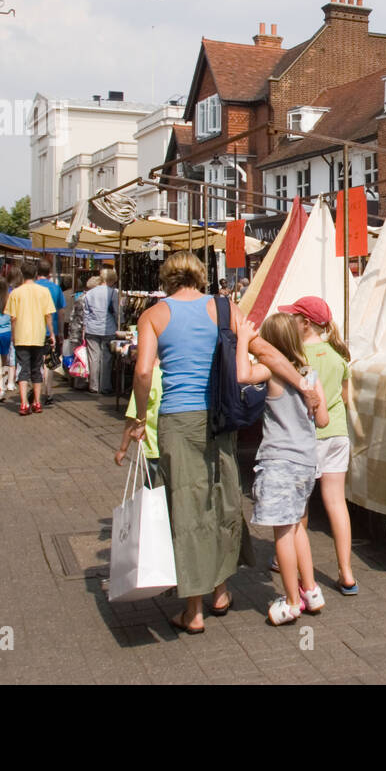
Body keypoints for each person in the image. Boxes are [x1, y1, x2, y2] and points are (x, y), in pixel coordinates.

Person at [128, 252, 317, 635]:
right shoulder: (224, 306)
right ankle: (220, 592)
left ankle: (193, 610)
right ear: (199, 276)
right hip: (219, 418)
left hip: (178, 421)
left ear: (167, 278)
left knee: (187, 505)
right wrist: (303, 385)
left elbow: (145, 370)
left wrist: (135, 419)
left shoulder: (153, 316)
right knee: (222, 499)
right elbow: (265, 351)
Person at [250, 312, 329, 625]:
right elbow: (322, 420)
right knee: (297, 525)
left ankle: (292, 601)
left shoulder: (270, 371)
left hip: (279, 459)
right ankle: (310, 589)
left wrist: (244, 341)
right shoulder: (309, 374)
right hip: (307, 460)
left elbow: (242, 374)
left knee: (281, 532)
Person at [281, 296, 357, 595]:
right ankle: (347, 572)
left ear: (305, 323)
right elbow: (346, 397)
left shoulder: (296, 358)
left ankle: (297, 566)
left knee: (301, 508)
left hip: (308, 436)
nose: (289, 322)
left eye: (293, 317)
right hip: (338, 433)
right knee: (337, 503)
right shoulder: (338, 355)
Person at [4, 260, 57, 416]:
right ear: (35, 274)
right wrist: (51, 333)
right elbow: (48, 315)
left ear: (22, 274)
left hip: (21, 336)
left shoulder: (15, 293)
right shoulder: (43, 292)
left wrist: (13, 335)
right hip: (39, 335)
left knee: (23, 369)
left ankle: (24, 404)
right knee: (37, 369)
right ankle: (37, 402)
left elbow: (12, 318)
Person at [116, 363, 163, 485]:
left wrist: (123, 449)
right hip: (176, 446)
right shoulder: (174, 373)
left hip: (155, 447)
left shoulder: (145, 379)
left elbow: (132, 419)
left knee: (154, 493)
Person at [35, 258, 66, 406]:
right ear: (50, 273)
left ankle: (36, 391)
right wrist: (60, 331)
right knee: (49, 361)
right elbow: (61, 313)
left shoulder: (31, 287)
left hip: (33, 331)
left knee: (36, 362)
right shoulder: (55, 289)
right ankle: (48, 391)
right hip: (50, 331)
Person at [84, 267, 119, 396]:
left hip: (91, 328)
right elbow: (117, 312)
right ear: (112, 280)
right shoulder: (113, 293)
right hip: (108, 329)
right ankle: (105, 386)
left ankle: (93, 385)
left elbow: (86, 313)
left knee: (93, 358)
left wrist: (85, 327)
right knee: (106, 358)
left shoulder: (90, 293)